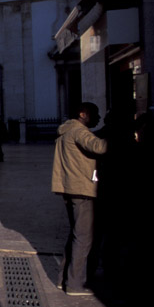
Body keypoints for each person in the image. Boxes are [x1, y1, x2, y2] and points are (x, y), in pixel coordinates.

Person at [51, 102, 108, 295]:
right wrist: (118, 133)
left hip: (70, 188)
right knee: (83, 238)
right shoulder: (78, 131)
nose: (98, 118)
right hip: (82, 189)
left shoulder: (67, 131)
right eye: (95, 114)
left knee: (76, 235)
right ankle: (75, 284)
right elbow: (99, 147)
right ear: (83, 114)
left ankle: (64, 279)